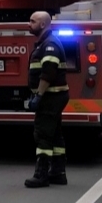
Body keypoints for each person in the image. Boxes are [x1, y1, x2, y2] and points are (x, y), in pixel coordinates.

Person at [24, 10, 69, 188]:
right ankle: (58, 173)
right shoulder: (46, 43)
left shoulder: (49, 45)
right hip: (54, 96)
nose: (29, 24)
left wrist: (38, 96)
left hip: (51, 97)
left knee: (42, 134)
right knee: (55, 134)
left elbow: (48, 74)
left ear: (43, 24)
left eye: (32, 21)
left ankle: (41, 175)